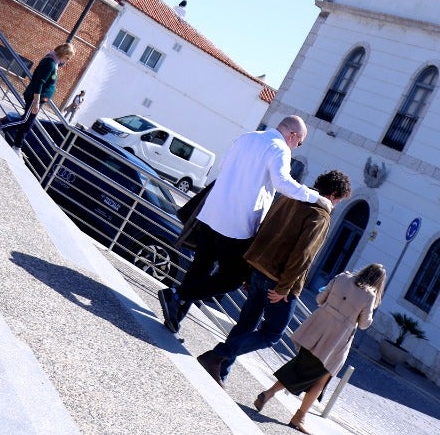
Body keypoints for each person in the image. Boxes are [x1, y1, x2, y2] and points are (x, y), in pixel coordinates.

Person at [157, 115, 319, 334]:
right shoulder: (280, 149)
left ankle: (175, 315)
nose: (296, 147)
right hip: (236, 224)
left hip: (212, 213)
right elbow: (282, 183)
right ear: (293, 135)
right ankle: (175, 296)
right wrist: (315, 197)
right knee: (232, 279)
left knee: (200, 267)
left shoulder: (247, 137)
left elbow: (224, 167)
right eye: (299, 143)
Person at [196, 169, 351, 386]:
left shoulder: (291, 197)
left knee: (246, 323)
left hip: (258, 267)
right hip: (278, 280)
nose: (336, 206)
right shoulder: (320, 214)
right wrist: (284, 288)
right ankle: (217, 355)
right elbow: (303, 255)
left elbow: (264, 226)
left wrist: (250, 268)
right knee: (272, 333)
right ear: (334, 194)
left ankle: (221, 370)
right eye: (339, 201)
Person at [252, 263, 386, 433]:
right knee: (322, 378)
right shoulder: (369, 296)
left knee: (301, 365)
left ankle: (270, 393)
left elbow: (319, 299)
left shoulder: (342, 277)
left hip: (317, 327)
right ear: (379, 282)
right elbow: (365, 324)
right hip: (335, 340)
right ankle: (298, 417)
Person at [2, 42, 75, 147]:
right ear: (63, 54)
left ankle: (17, 144)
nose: (67, 61)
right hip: (35, 98)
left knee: (27, 122)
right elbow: (39, 82)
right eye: (67, 58)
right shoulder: (50, 63)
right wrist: (36, 102)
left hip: (39, 99)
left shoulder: (54, 62)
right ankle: (2, 126)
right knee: (26, 122)